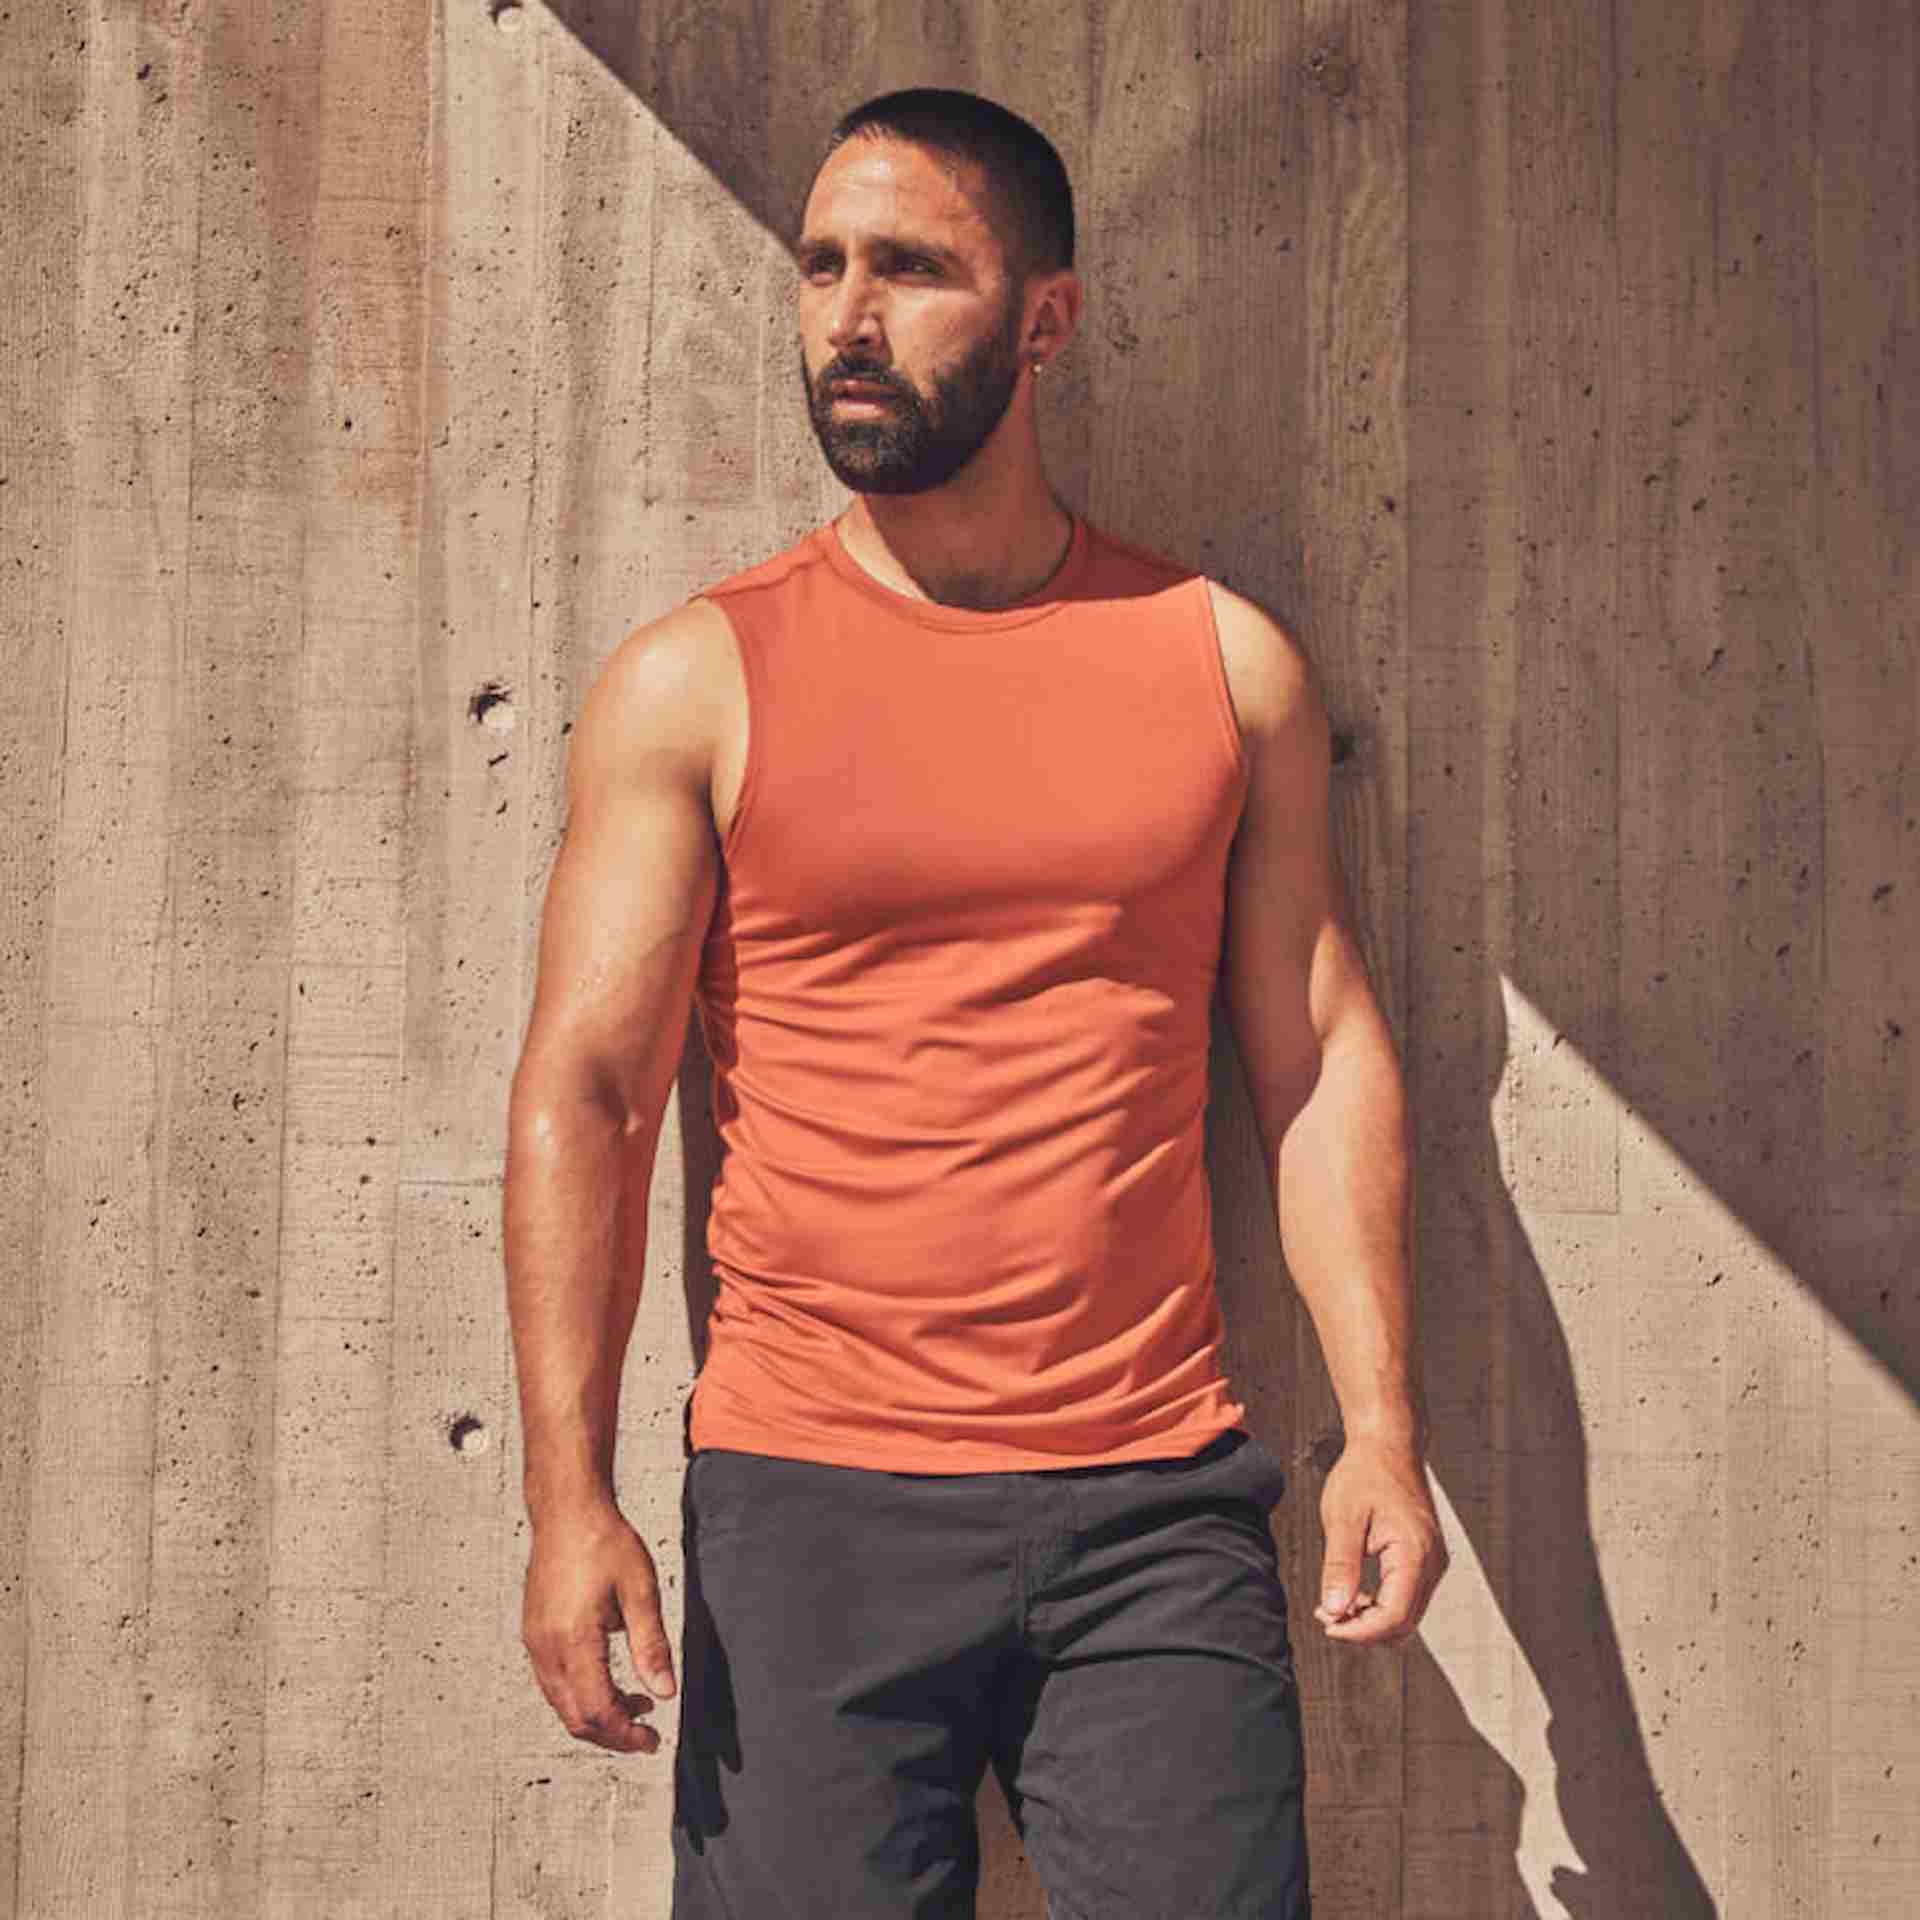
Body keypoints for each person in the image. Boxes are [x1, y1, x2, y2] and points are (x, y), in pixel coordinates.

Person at [505, 86, 1446, 1920]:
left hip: (1154, 1512)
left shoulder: (1221, 662)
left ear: (1045, 319)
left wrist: (1383, 1428)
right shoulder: (701, 680)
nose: (847, 319)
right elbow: (592, 1096)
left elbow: (1318, 1065)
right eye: (822, 267)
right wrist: (568, 1495)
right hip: (807, 1505)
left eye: (914, 270)